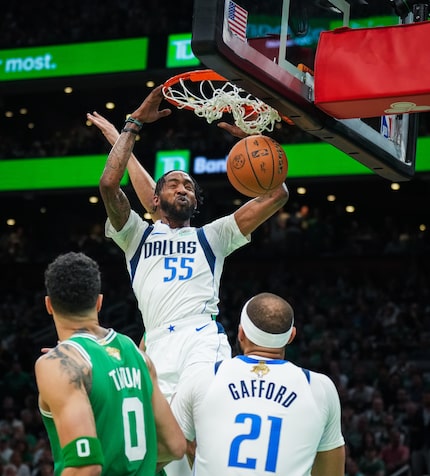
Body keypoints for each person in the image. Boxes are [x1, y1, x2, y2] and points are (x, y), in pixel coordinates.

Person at [92, 85, 289, 404]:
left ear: (196, 201)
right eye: (173, 184)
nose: (182, 188)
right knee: (169, 452)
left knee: (203, 430)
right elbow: (108, 183)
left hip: (202, 341)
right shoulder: (136, 236)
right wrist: (132, 125)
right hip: (155, 346)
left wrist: (251, 143)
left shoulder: (212, 236)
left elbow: (277, 195)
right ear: (156, 199)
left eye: (188, 186)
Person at [34, 251, 186, 476]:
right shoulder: (137, 354)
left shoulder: (57, 364)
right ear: (99, 302)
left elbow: (85, 466)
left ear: (48, 305)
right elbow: (175, 446)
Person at [171, 292, 346, 476]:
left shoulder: (204, 377)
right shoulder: (320, 388)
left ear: (241, 333)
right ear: (291, 336)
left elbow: (164, 447)